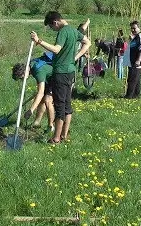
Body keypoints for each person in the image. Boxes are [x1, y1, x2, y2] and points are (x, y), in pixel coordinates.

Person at [31, 11, 91, 144]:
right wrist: (76, 56)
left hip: (61, 73)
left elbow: (57, 49)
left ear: (55, 22)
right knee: (67, 104)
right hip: (70, 72)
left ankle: (56, 138)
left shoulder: (63, 31)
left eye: (52, 27)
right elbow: (87, 42)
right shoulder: (74, 31)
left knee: (60, 105)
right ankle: (64, 135)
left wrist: (39, 41)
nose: (53, 30)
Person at [11, 52, 55, 133]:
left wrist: (31, 110)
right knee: (41, 100)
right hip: (48, 78)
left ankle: (51, 126)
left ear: (24, 72)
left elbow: (40, 93)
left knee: (48, 100)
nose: (22, 80)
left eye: (21, 78)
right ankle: (37, 122)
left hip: (57, 78)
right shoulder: (30, 64)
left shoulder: (38, 71)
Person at [124, 20, 141, 99]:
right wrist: (131, 40)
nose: (133, 30)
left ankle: (128, 97)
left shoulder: (140, 36)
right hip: (132, 61)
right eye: (131, 28)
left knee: (132, 80)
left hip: (138, 62)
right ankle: (136, 95)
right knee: (136, 80)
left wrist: (138, 60)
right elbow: (131, 48)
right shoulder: (135, 37)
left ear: (139, 28)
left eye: (134, 28)